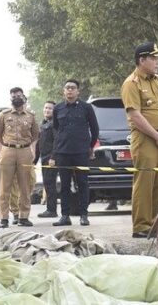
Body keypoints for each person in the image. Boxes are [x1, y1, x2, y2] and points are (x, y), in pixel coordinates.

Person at [121, 42, 158, 238]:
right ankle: (142, 226)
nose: (157, 62)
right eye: (154, 58)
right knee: (145, 181)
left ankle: (156, 222)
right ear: (142, 60)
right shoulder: (131, 83)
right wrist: (156, 136)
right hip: (145, 139)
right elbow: (135, 115)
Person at [51, 79, 99, 227]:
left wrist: (89, 147)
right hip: (63, 152)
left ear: (78, 91)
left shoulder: (86, 108)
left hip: (81, 152)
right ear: (63, 91)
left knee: (83, 184)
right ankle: (65, 216)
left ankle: (84, 215)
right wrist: (54, 154)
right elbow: (56, 131)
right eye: (67, 88)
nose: (70, 90)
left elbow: (95, 129)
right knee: (64, 185)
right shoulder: (58, 108)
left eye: (73, 88)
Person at [0, 87, 39, 228]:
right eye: (13, 96)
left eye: (18, 95)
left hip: (25, 151)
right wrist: (1, 152)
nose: (16, 98)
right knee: (4, 186)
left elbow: (35, 135)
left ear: (23, 97)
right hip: (8, 150)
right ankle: (3, 218)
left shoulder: (31, 116)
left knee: (25, 186)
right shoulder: (3, 115)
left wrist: (31, 150)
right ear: (10, 98)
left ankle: (23, 217)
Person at [36, 101, 58, 218]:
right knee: (47, 183)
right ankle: (50, 208)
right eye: (45, 108)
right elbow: (39, 143)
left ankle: (52, 210)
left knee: (50, 183)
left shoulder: (55, 123)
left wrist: (53, 157)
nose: (47, 110)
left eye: (50, 108)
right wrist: (34, 161)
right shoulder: (44, 123)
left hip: (51, 158)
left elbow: (56, 141)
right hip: (43, 158)